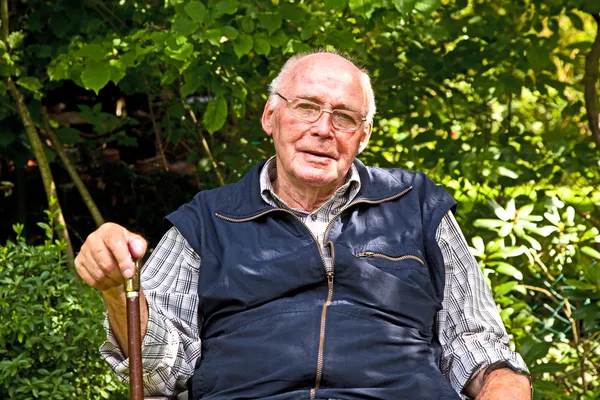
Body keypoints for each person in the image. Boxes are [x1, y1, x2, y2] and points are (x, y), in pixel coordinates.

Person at [75, 51, 531, 400]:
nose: (323, 129)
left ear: (363, 135)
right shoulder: (206, 220)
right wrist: (119, 291)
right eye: (307, 107)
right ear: (270, 116)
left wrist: (505, 384)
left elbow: (478, 345)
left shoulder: (416, 205)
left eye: (344, 117)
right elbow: (160, 370)